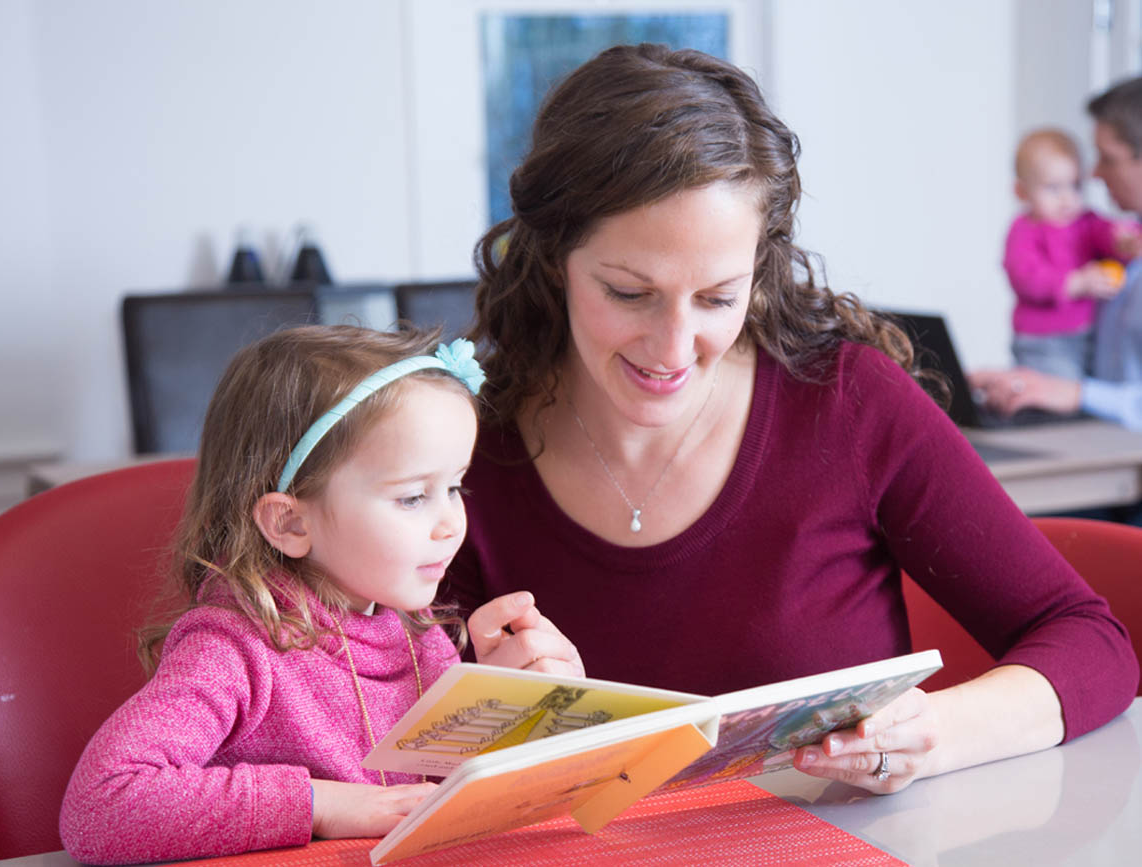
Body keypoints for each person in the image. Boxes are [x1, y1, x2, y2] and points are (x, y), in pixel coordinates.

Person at [444, 44, 1138, 798]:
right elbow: (364, 728)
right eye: (628, 292)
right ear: (555, 260)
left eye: (716, 297)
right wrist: (474, 700)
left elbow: (1090, 642)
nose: (673, 349)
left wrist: (924, 737)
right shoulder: (463, 448)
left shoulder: (846, 404)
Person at [59, 326, 583, 864]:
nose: (452, 523)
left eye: (455, 487)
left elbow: (436, 809)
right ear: (289, 523)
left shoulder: (419, 634)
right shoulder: (235, 650)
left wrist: (512, 715)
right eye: (411, 497)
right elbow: (100, 806)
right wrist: (322, 804)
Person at [973, 76, 1142, 432]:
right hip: (1092, 436)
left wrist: (1079, 394)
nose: (1095, 174)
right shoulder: (1117, 244)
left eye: (1108, 159)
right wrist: (1023, 383)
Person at [1002, 127, 1135, 379]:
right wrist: (1076, 283)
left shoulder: (1087, 221)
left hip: (1090, 335)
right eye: (1053, 188)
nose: (1067, 199)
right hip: (1043, 341)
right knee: (1054, 397)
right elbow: (1026, 277)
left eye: (1074, 186)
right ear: (1021, 192)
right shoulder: (1025, 230)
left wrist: (1125, 239)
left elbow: (1108, 235)